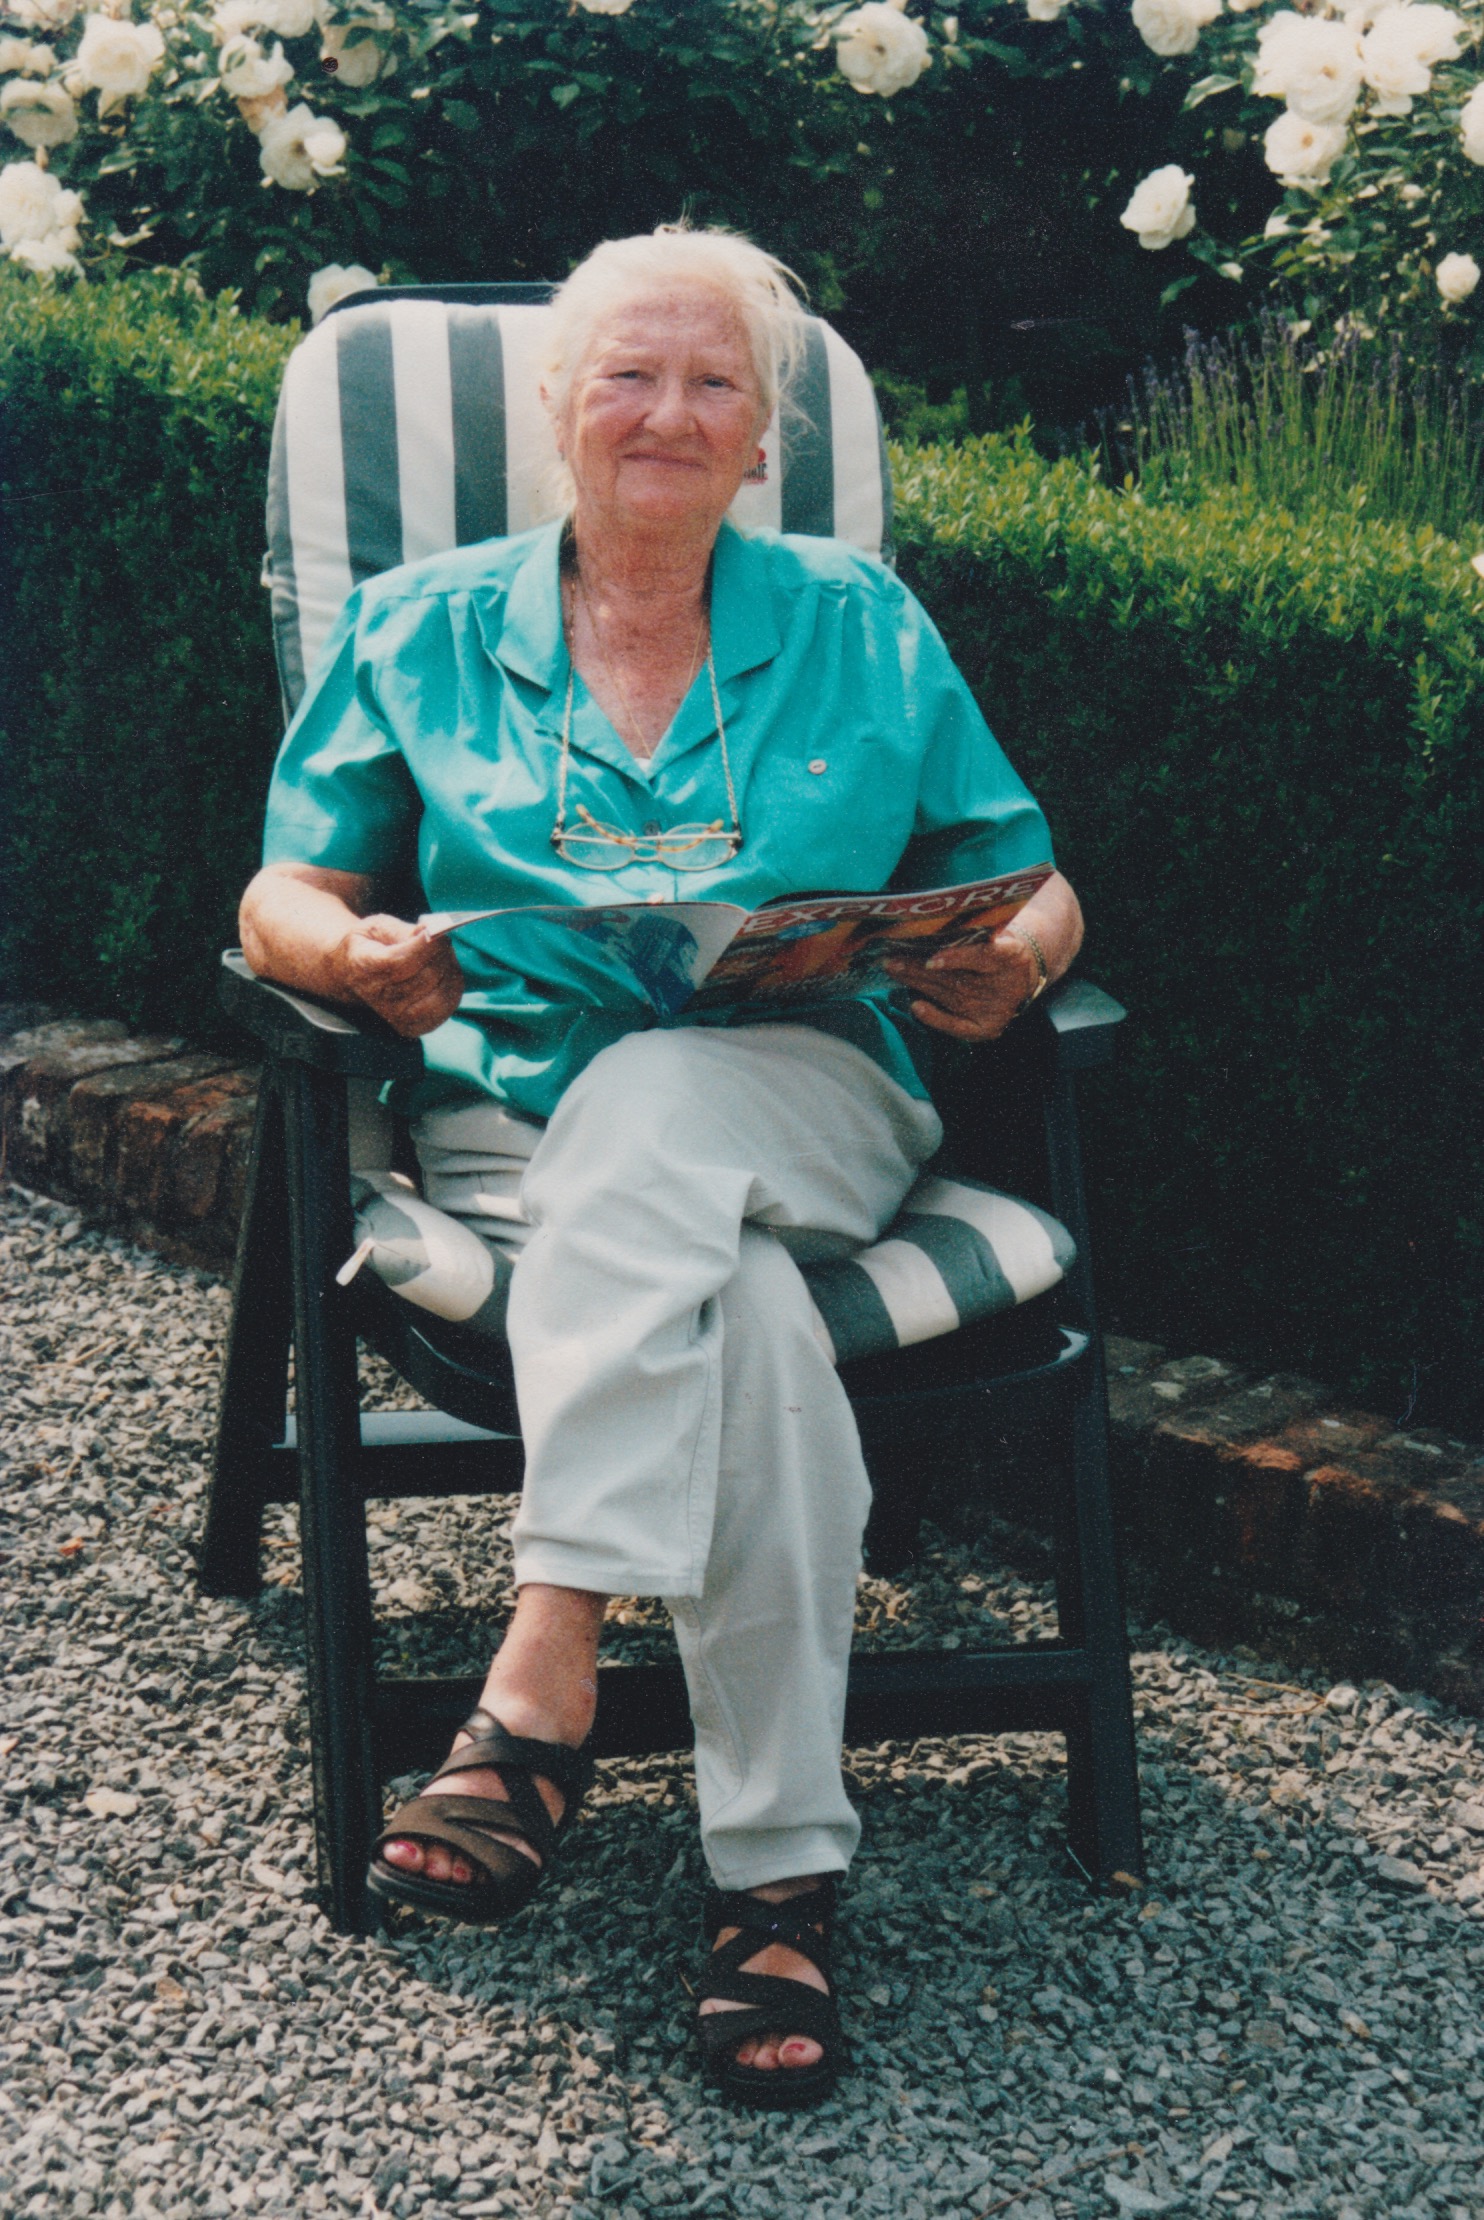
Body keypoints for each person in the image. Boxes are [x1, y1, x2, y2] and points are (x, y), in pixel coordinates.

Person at [239, 224, 1083, 2109]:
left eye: (713, 382)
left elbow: (1032, 879)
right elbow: (284, 887)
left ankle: (543, 1668)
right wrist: (354, 956)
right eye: (627, 373)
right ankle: (778, 1875)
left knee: (660, 1102)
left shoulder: (859, 619)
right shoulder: (421, 626)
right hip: (518, 1129)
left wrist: (1006, 966)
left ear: (762, 431)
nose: (667, 413)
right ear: (560, 404)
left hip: (813, 1100)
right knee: (748, 1320)